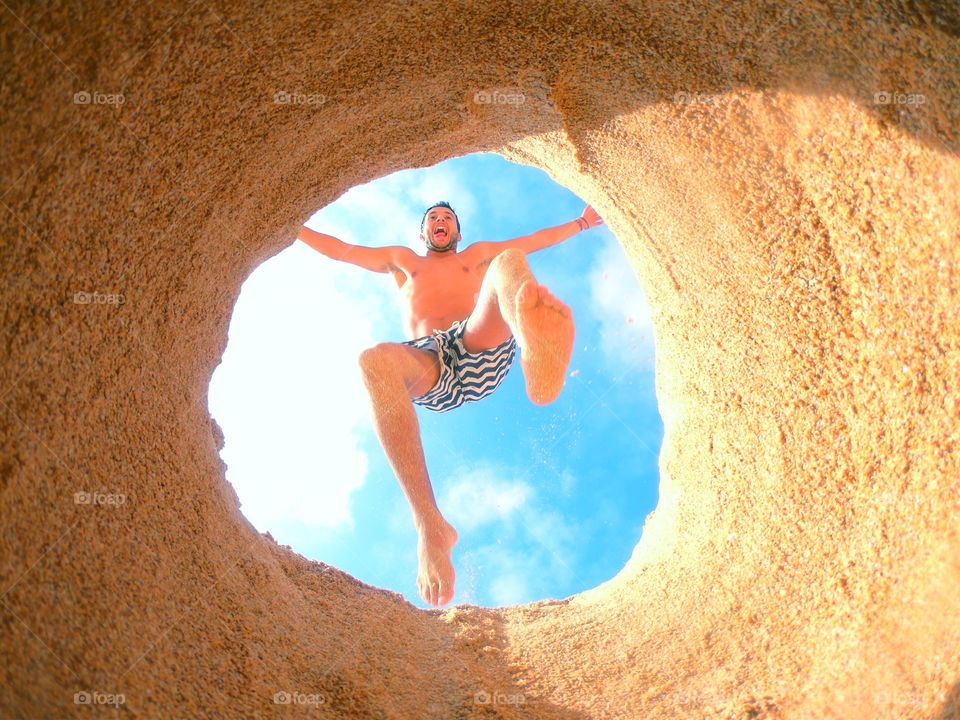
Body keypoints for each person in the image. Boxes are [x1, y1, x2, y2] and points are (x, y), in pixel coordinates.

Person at [298, 201, 604, 606]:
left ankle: (537, 348)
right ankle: (430, 526)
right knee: (374, 362)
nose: (441, 222)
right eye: (433, 220)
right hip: (429, 362)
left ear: (457, 233)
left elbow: (531, 241)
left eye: (448, 220)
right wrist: (295, 228)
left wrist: (582, 223)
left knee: (508, 260)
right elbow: (341, 249)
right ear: (423, 234)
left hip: (478, 343)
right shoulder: (401, 262)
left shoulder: (473, 257)